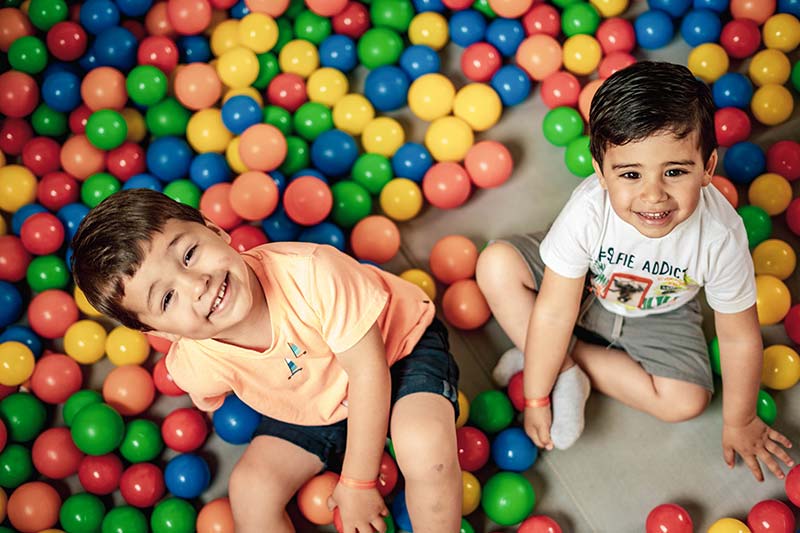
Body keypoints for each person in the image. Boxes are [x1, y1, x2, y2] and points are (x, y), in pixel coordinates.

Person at [70, 189, 462, 533]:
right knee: (251, 489)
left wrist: (357, 482)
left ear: (216, 229)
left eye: (189, 253)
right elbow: (211, 396)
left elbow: (368, 371)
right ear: (160, 332)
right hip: (313, 402)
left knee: (422, 441)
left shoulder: (313, 273)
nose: (196, 284)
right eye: (167, 299)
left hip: (395, 351)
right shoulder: (195, 366)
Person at [475, 61, 794, 482]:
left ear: (708, 168)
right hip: (583, 285)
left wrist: (740, 420)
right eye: (630, 174)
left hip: (662, 309)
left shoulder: (720, 236)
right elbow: (553, 310)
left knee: (687, 401)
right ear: (600, 172)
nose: (653, 195)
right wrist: (536, 396)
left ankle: (564, 357)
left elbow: (738, 336)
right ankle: (562, 369)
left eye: (675, 172)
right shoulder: (589, 210)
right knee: (495, 265)